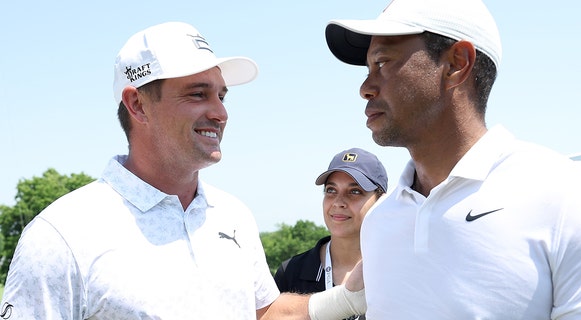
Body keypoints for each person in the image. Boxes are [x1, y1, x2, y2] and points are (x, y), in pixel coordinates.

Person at [1, 21, 365, 320]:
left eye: (221, 96)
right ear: (137, 104)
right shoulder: (61, 236)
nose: (220, 113)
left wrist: (348, 298)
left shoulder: (233, 215)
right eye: (197, 94)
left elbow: (263, 313)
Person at [324, 0, 581, 319]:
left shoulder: (570, 197)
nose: (365, 87)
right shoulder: (381, 221)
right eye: (368, 69)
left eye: (382, 63)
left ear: (457, 63)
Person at [275, 147, 388, 319]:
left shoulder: (394, 270)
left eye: (355, 191)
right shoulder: (291, 271)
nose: (338, 202)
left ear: (381, 201)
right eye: (331, 190)